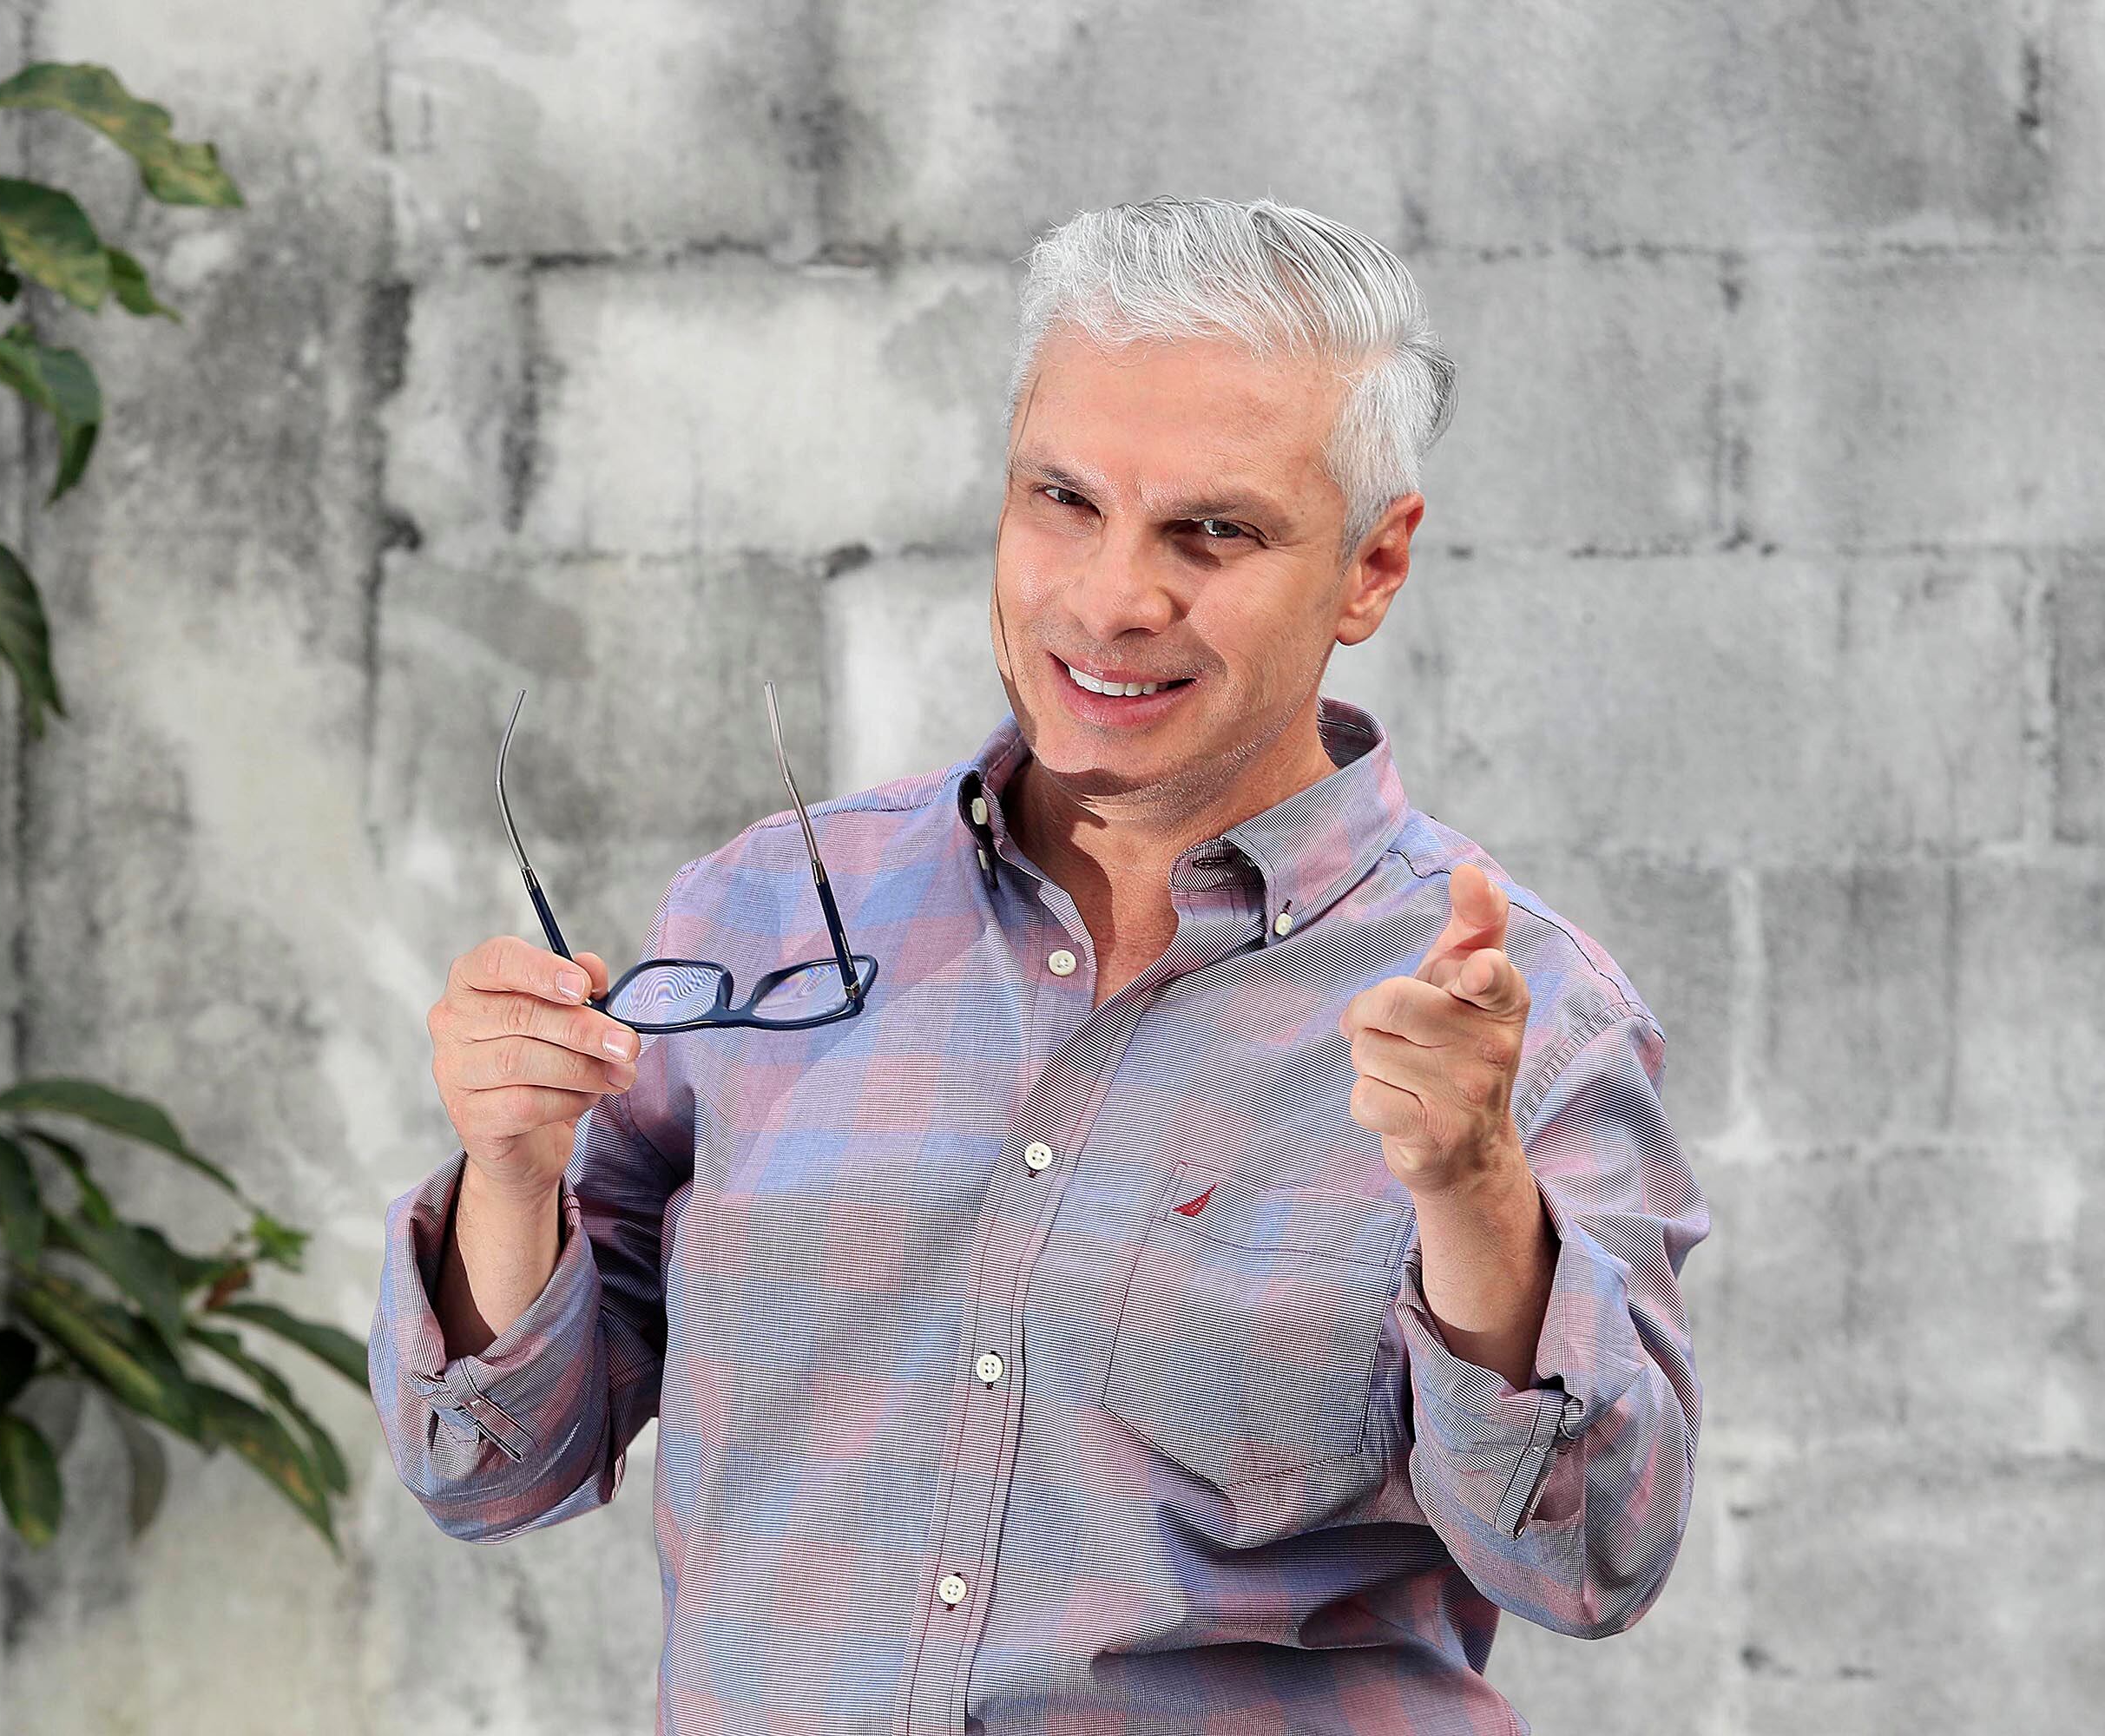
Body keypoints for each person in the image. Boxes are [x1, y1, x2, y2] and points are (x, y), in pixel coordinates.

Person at [368, 194, 1711, 1734]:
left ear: (1372, 565)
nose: (1110, 599)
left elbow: (1590, 1564)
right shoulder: (760, 917)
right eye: (1064, 500)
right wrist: (511, 1172)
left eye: (1213, 532)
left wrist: (1474, 1196)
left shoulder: (1521, 1020)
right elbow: (492, 1471)